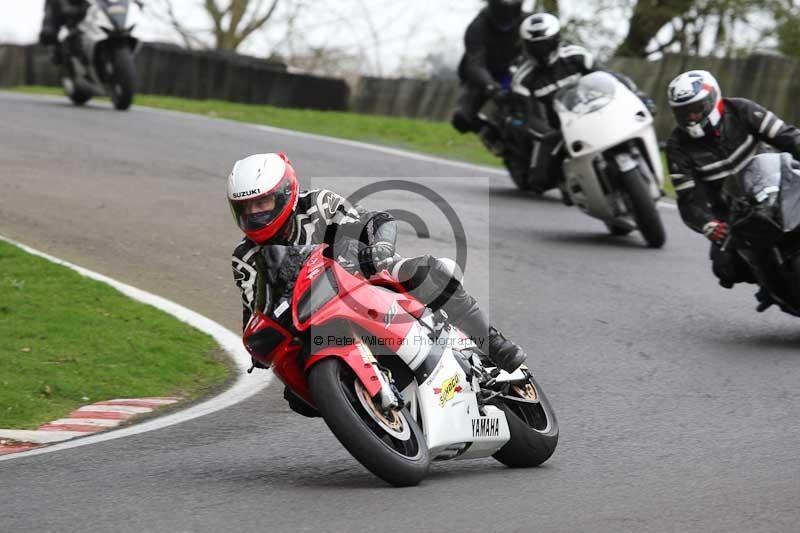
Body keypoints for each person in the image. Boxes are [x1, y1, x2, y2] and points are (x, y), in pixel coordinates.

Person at [228, 153, 528, 383]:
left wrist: (379, 248)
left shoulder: (318, 204)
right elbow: (254, 309)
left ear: (284, 194)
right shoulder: (244, 257)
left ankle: (492, 343)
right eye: (247, 208)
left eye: (262, 203)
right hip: (311, 317)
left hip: (364, 277)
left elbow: (375, 221)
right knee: (292, 386)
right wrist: (258, 345)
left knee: (428, 272)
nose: (255, 214)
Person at [665, 70, 800, 302]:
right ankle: (768, 283)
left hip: (775, 186)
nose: (691, 118)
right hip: (733, 212)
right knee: (726, 268)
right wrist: (709, 224)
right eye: (683, 113)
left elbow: (787, 137)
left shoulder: (741, 110)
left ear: (712, 100)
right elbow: (688, 200)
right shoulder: (677, 145)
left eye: (696, 109)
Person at [511, 12, 656, 193]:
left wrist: (638, 95)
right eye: (535, 47)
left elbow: (611, 78)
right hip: (558, 130)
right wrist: (548, 135)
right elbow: (528, 115)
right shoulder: (523, 79)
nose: (541, 52)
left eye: (545, 44)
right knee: (539, 180)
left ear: (556, 40)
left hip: (595, 112)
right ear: (526, 47)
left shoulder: (577, 56)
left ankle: (649, 175)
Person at [451, 0, 524, 134]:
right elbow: (475, 64)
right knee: (461, 119)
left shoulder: (527, 22)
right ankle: (492, 135)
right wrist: (491, 87)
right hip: (479, 78)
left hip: (512, 73)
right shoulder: (477, 27)